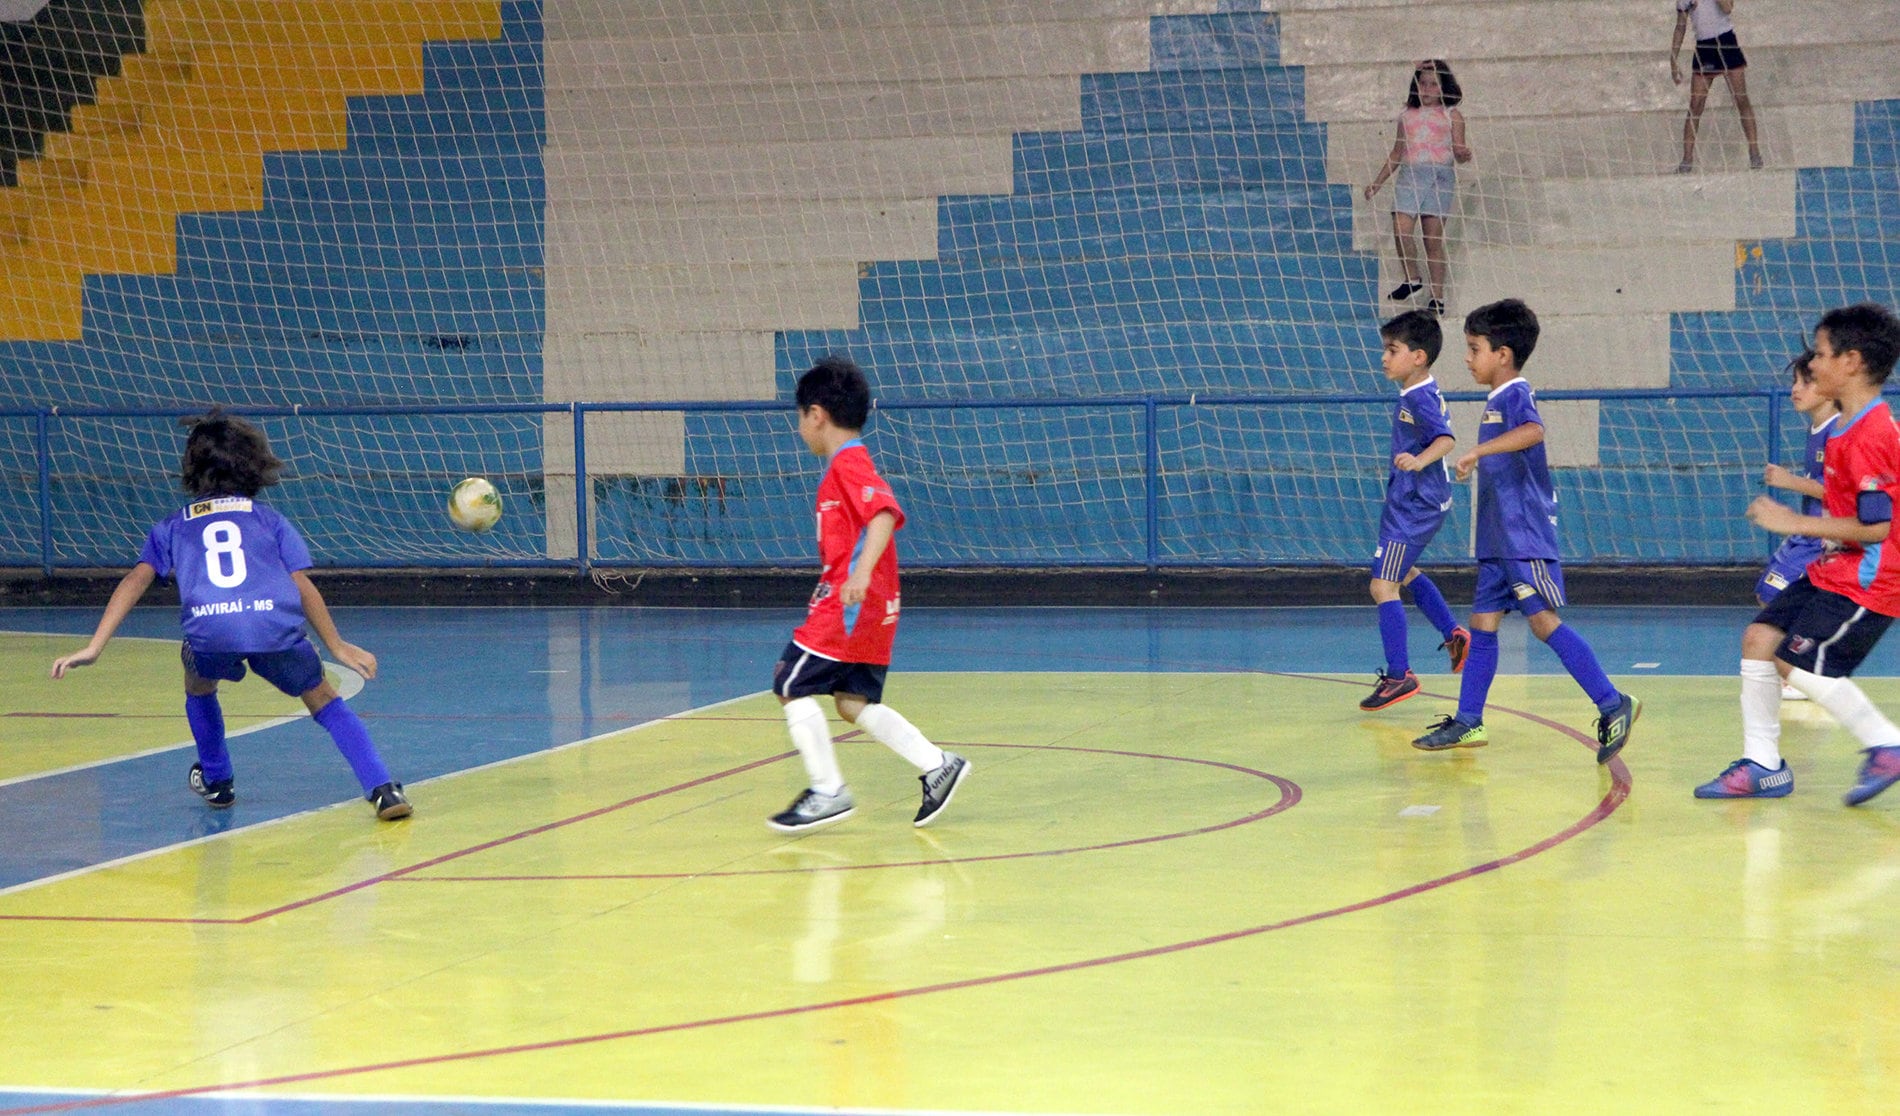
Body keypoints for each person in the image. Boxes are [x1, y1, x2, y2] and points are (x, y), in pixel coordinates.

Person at [49, 410, 410, 819]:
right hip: (272, 626)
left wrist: (95, 646)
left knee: (197, 680)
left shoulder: (172, 526)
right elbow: (301, 585)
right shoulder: (270, 521)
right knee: (323, 698)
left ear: (192, 469)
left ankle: (218, 780)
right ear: (255, 465)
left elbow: (135, 580)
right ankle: (383, 789)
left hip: (211, 630)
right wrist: (336, 644)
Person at [1411, 299, 1641, 762]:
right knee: (1482, 624)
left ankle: (1612, 702)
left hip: (1522, 535)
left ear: (1503, 354)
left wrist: (1478, 452)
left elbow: (1533, 432)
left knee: (1541, 622)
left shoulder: (1516, 393)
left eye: (1474, 348)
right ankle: (1469, 722)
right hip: (1498, 539)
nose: (1468, 358)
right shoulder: (1497, 399)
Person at [1696, 303, 1900, 805]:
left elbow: (1877, 527)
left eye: (1823, 354)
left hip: (1870, 579)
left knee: (1800, 666)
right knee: (1760, 637)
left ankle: (1887, 745)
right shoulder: (1843, 431)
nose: (1813, 364)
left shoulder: (1871, 434)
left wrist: (1795, 522)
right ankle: (1763, 765)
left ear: (1851, 362)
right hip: (1836, 567)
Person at [766, 354, 970, 832]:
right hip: (876, 605)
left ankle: (827, 790)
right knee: (852, 702)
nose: (800, 428)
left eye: (801, 418)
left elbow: (883, 513)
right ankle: (936, 763)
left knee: (788, 683)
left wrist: (858, 574)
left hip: (849, 605)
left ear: (817, 415)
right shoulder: (846, 464)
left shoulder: (848, 464)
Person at [1360, 309, 1472, 711]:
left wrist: (1418, 461)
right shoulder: (1417, 390)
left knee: (1382, 586)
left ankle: (1400, 676)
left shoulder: (1420, 396)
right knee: (1402, 571)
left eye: (1393, 350)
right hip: (1417, 501)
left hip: (1414, 505)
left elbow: (1446, 439)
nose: (1384, 358)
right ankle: (1454, 633)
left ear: (1419, 356)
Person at [1757, 350, 1838, 701]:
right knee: (1768, 592)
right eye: (1794, 382)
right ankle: (1801, 667)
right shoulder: (1815, 428)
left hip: (1822, 536)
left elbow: (1838, 491)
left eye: (1805, 382)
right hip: (1806, 532)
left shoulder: (1838, 432)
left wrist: (1789, 481)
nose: (1795, 389)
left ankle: (1802, 670)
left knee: (1775, 594)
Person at [1364, 59, 1473, 319]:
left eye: (1433, 84)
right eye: (1422, 83)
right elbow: (1397, 152)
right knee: (1401, 228)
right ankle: (1412, 278)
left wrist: (1462, 153)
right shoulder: (1406, 115)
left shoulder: (1452, 115)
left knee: (1432, 240)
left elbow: (1459, 151)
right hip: (1411, 175)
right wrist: (1377, 183)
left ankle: (1437, 295)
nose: (1426, 89)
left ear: (1443, 87)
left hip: (1438, 178)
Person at [1670, 0, 1764, 173]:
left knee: (1741, 99)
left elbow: (1727, 8)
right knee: (1695, 105)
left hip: (1726, 41)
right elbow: (1680, 26)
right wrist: (1673, 59)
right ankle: (1687, 159)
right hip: (1704, 47)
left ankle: (1754, 151)